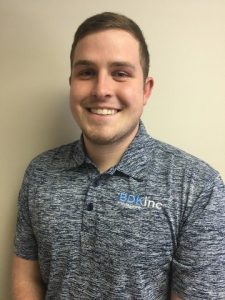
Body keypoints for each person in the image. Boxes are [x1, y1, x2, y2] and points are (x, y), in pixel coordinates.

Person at [12, 12, 225, 300]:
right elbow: (27, 280)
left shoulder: (198, 187)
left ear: (145, 89)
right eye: (86, 72)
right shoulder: (40, 172)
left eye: (120, 73)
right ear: (72, 82)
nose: (102, 90)